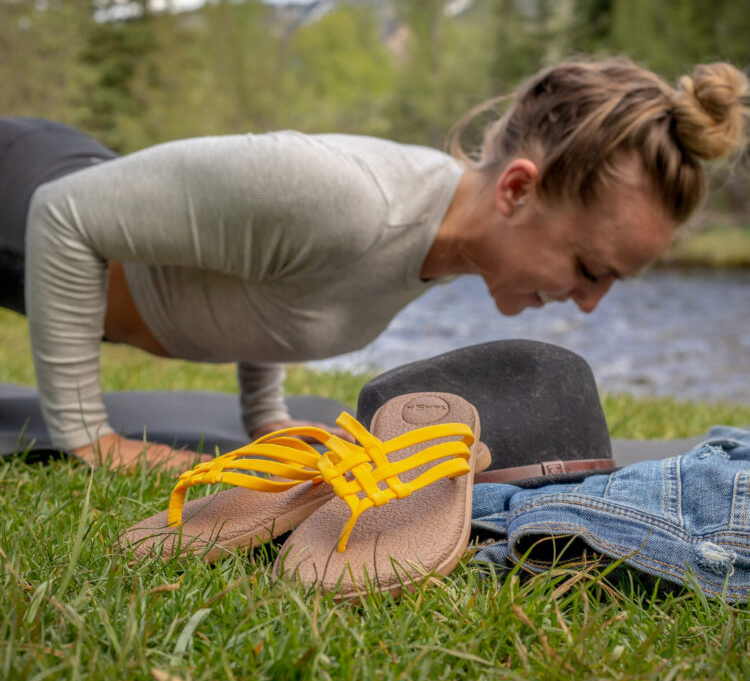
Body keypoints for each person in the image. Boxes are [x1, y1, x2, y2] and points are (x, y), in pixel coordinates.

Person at [2, 56, 747, 471]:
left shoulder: (444, 244)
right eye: (591, 267)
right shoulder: (348, 196)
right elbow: (63, 215)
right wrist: (88, 437)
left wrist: (264, 419)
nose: (589, 303)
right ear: (519, 188)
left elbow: (274, 276)